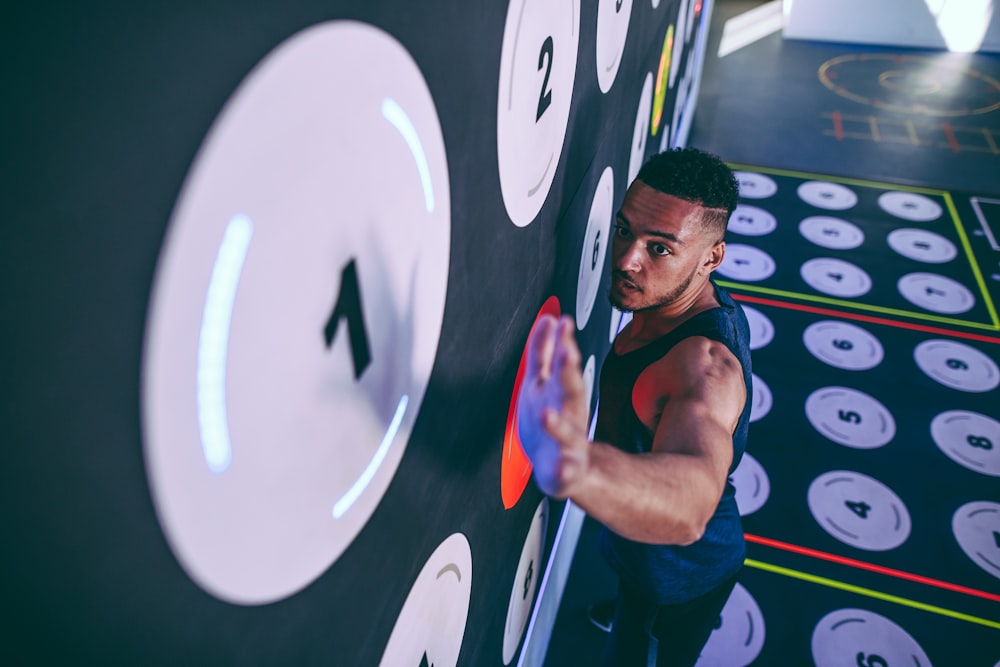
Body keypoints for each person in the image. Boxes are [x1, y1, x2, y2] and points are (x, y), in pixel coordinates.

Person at [517, 148, 751, 666]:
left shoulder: (704, 366)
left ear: (712, 257)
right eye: (625, 230)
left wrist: (574, 465)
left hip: (680, 578)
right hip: (641, 555)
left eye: (660, 249)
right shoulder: (696, 302)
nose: (626, 259)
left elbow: (690, 507)